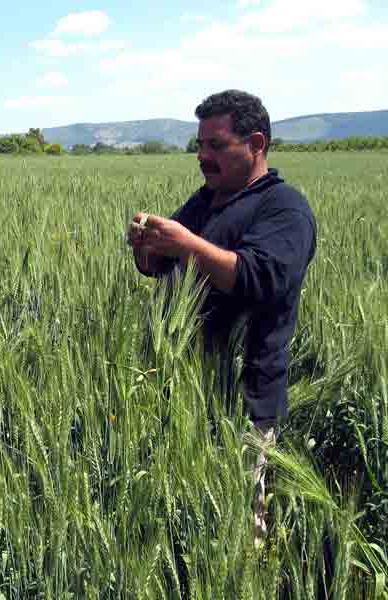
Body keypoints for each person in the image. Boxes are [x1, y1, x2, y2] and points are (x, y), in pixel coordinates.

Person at [127, 89, 317, 541]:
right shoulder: (206, 199)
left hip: (242, 396)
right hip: (182, 387)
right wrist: (146, 251)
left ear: (255, 144)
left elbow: (260, 278)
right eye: (199, 145)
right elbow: (162, 268)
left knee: (235, 529)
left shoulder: (285, 207)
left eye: (216, 145)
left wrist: (186, 244)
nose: (202, 156)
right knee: (182, 521)